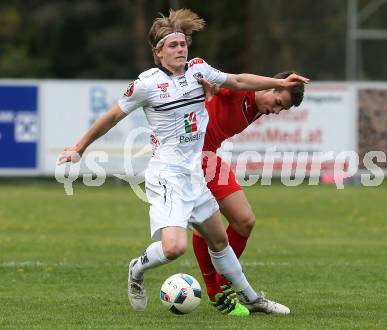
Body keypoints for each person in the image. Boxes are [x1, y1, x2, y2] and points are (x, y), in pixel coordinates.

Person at [58, 9, 309, 316]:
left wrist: (281, 82)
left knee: (220, 241)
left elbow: (239, 79)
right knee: (174, 248)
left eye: (183, 44)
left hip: (195, 173)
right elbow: (112, 116)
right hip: (167, 174)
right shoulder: (146, 84)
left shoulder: (198, 70)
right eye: (172, 46)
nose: (180, 49)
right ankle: (137, 268)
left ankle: (252, 299)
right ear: (158, 52)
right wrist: (80, 148)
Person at [193, 73, 305, 312]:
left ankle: (224, 283)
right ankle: (216, 289)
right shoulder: (239, 91)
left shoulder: (258, 106)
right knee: (205, 224)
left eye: (282, 109)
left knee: (244, 221)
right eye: (277, 103)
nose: (275, 111)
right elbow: (231, 80)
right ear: (270, 88)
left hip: (210, 157)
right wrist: (205, 86)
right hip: (192, 158)